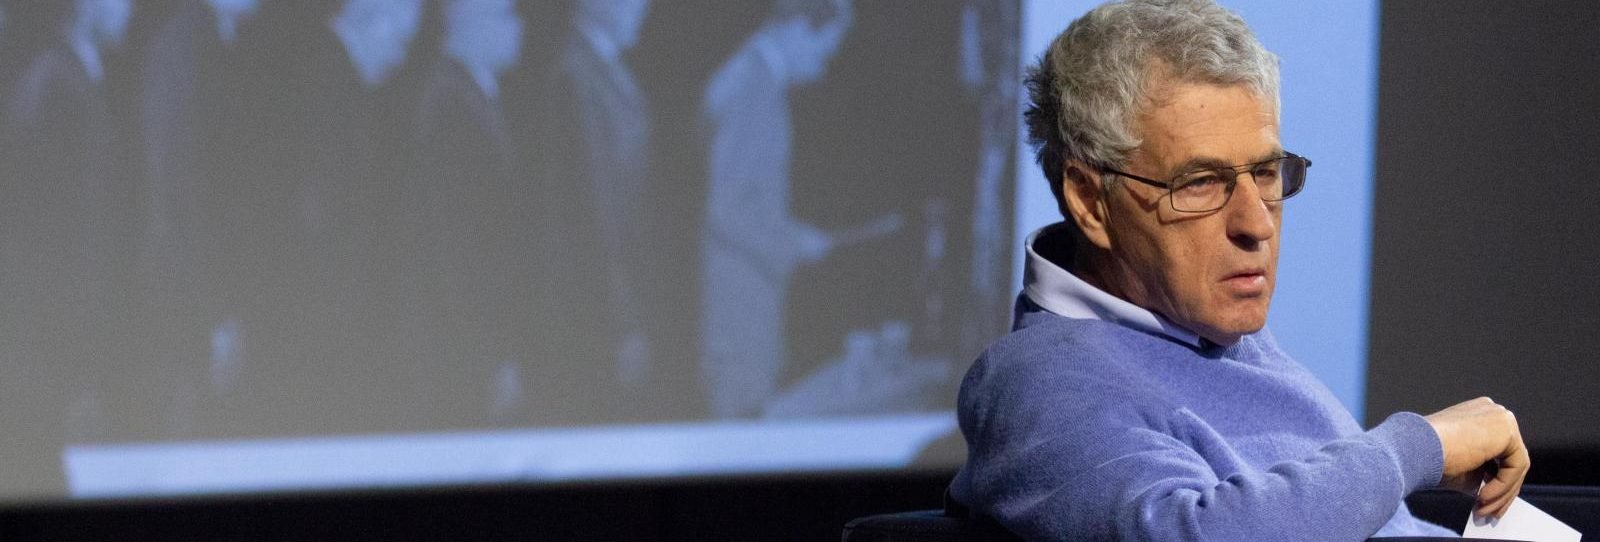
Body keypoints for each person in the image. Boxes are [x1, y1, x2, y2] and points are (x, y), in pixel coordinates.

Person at [947, 1, 1528, 539]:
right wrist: (1415, 449)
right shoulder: (1040, 384)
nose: (1257, 224)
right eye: (1201, 182)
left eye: (1266, 173)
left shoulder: (1200, 324)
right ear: (1090, 201)